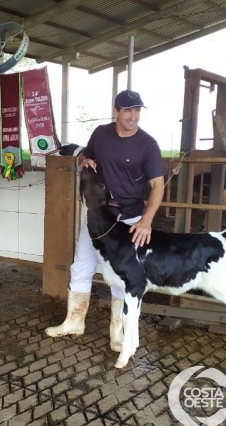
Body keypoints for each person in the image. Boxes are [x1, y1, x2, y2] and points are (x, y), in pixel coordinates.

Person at [45, 89, 166, 351]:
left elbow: (158, 185)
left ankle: (117, 333)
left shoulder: (148, 144)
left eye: (137, 111)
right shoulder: (101, 134)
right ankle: (74, 321)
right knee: (81, 266)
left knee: (122, 277)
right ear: (115, 111)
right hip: (99, 218)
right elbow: (83, 156)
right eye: (127, 111)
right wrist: (84, 159)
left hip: (129, 219)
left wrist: (146, 221)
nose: (133, 116)